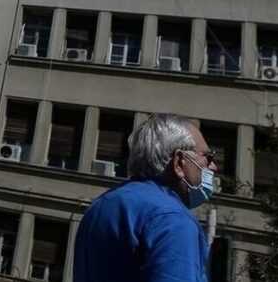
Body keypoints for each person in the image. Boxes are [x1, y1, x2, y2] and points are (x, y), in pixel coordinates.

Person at [73, 114, 219, 282]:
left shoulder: (102, 204)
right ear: (179, 163)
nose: (214, 167)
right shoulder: (172, 219)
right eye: (208, 158)